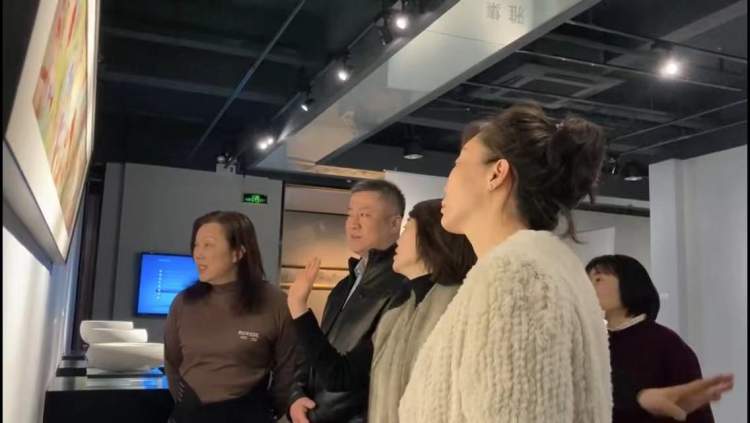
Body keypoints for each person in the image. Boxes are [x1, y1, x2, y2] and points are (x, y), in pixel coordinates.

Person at [399, 102, 613, 422]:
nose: (447, 181)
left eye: (459, 163)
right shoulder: (537, 268)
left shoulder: (517, 277)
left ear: (497, 173)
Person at [286, 198, 477, 423]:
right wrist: (298, 307)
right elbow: (340, 375)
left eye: (407, 229)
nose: (399, 241)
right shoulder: (399, 314)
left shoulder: (455, 309)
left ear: (430, 240)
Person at [287, 180, 409, 423]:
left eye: (364, 215)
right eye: (350, 214)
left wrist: (298, 306)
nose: (353, 223)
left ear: (395, 223)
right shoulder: (344, 286)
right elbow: (315, 350)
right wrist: (296, 394)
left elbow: (362, 378)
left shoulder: (402, 285)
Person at [164, 211, 297, 423]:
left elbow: (288, 372)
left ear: (238, 253)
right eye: (196, 245)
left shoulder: (276, 303)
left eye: (208, 245)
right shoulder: (183, 303)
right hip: (190, 415)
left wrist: (264, 411)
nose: (198, 254)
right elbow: (172, 363)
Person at [586, 254, 734, 423]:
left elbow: (695, 413)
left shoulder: (667, 344)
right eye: (585, 280)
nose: (587, 286)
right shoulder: (592, 344)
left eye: (598, 279)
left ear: (629, 284)